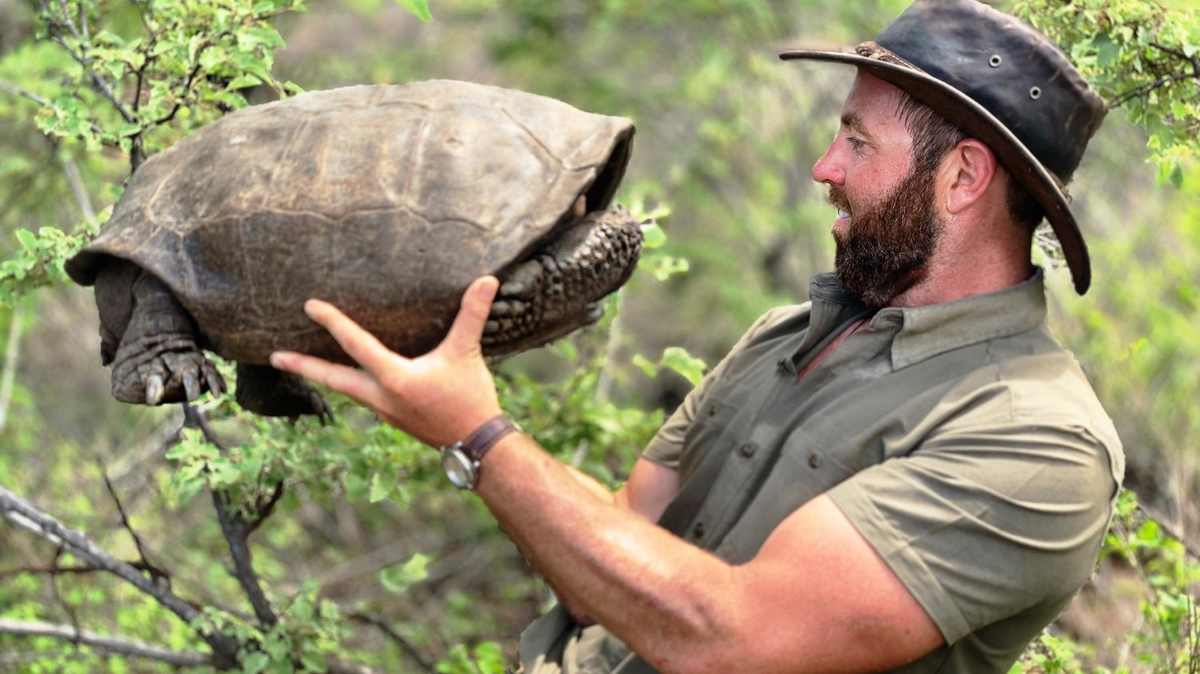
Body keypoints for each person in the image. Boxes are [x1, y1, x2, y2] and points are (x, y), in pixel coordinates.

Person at [269, 0, 1125, 671]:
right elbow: (622, 531)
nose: (825, 167)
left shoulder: (1036, 440)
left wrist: (477, 435)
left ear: (965, 176)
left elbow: (730, 639)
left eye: (857, 141)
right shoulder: (785, 333)